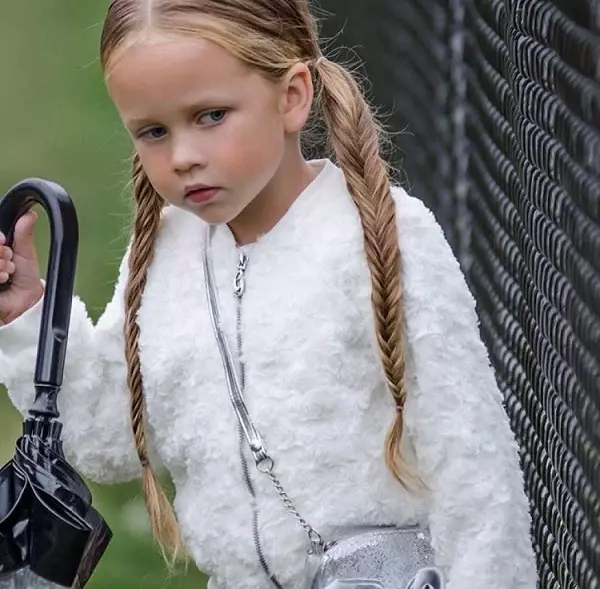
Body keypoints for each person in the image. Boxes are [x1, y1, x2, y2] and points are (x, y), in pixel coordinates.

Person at [0, 1, 538, 588]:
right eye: (153, 131)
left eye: (210, 115)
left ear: (292, 96)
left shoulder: (382, 237)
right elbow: (110, 441)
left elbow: (475, 475)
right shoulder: (163, 254)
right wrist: (28, 316)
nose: (183, 156)